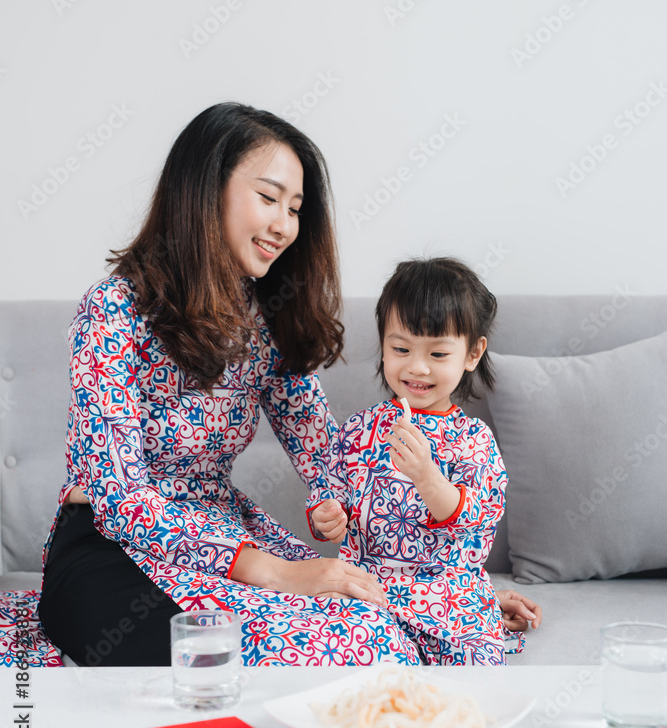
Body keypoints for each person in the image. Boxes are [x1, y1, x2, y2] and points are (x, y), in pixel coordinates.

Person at [38, 103, 540, 667]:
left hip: (224, 537)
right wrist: (279, 573)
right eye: (269, 197)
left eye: (296, 208)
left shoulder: (265, 319)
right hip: (113, 551)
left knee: (375, 632)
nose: (285, 225)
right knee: (317, 648)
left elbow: (323, 448)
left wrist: (449, 601)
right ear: (205, 190)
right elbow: (119, 494)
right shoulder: (114, 309)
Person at [308, 258, 525, 665]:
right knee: (341, 653)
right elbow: (328, 491)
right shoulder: (359, 430)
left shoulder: (474, 440)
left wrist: (428, 478)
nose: (417, 367)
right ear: (383, 345)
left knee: (475, 671)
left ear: (472, 353)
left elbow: (476, 518)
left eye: (438, 353)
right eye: (401, 348)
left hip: (451, 597)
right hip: (371, 592)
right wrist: (326, 516)